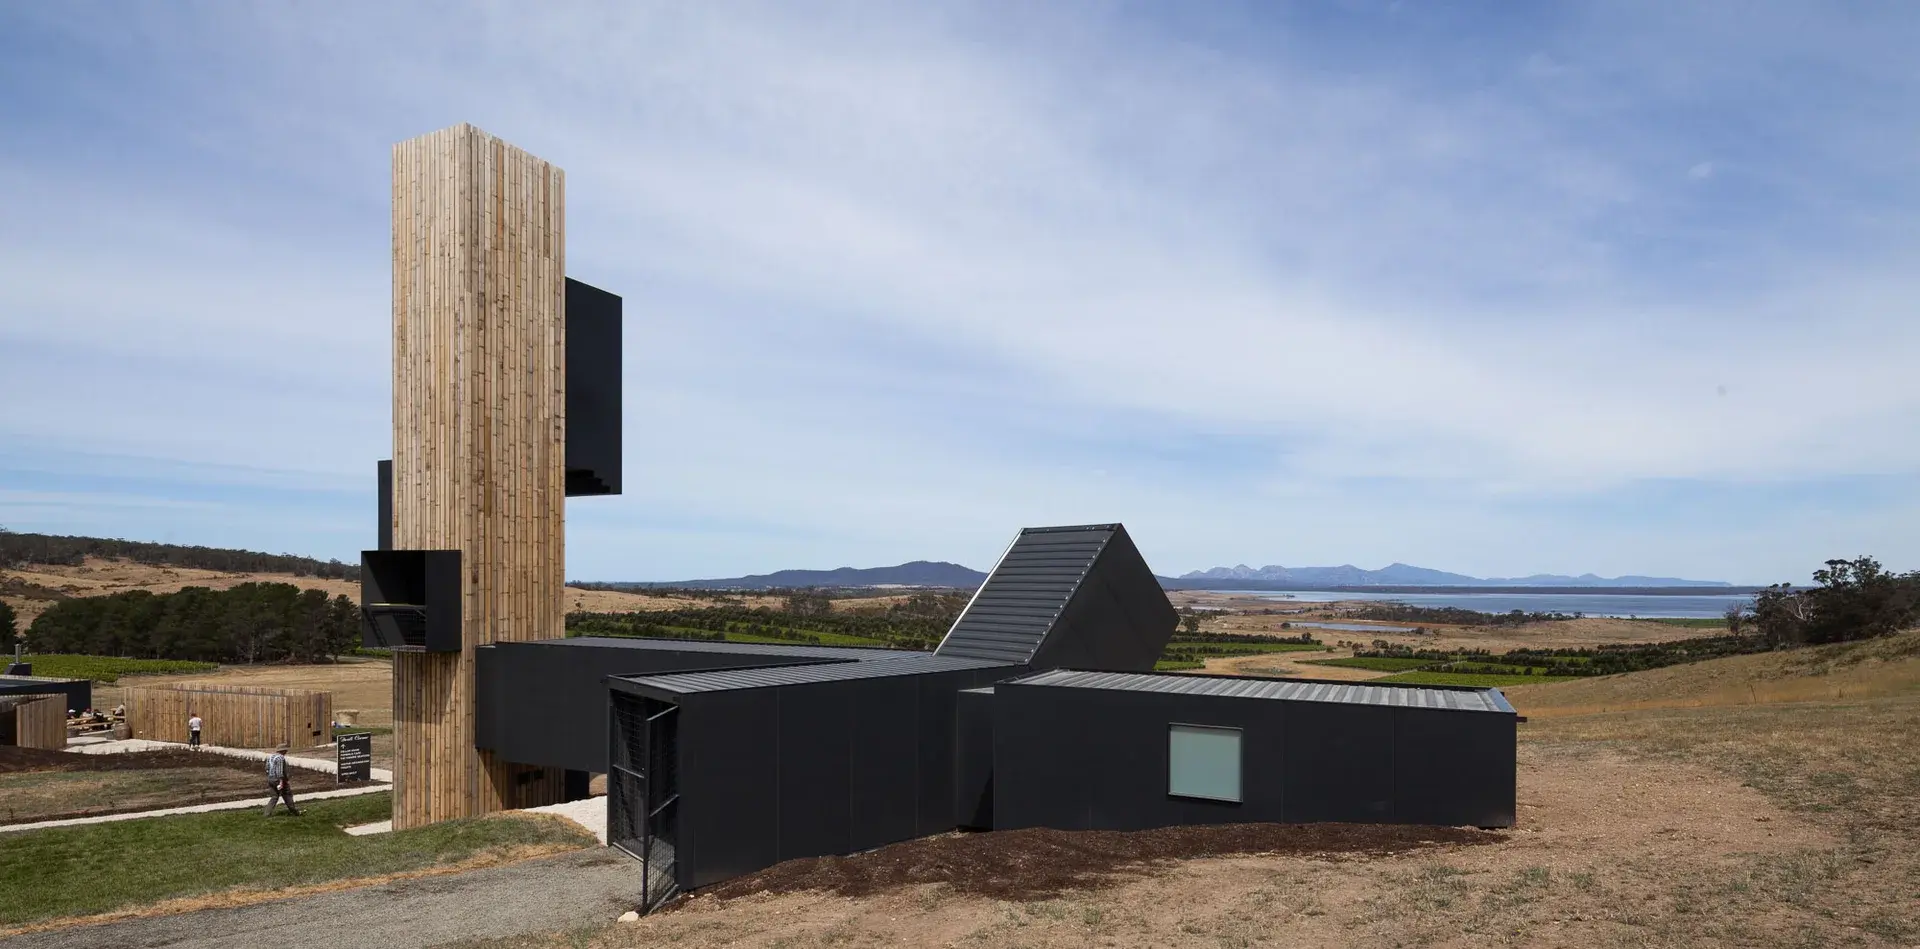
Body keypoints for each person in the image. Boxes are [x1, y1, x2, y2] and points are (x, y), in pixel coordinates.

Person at [264, 745, 300, 816]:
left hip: (270, 779)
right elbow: (279, 772)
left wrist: (271, 777)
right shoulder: (280, 758)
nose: (286, 751)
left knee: (274, 797)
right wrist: (281, 782)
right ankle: (295, 812)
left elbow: (267, 768)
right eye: (286, 750)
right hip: (278, 779)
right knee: (287, 795)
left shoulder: (271, 756)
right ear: (283, 751)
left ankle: (266, 814)